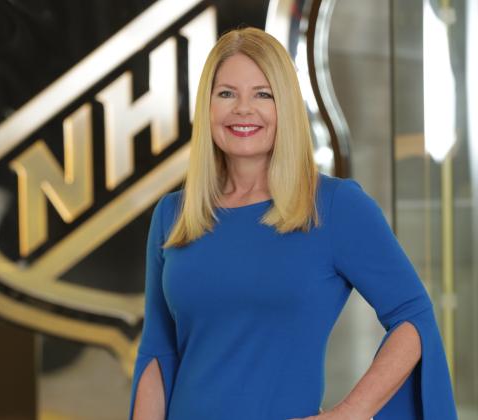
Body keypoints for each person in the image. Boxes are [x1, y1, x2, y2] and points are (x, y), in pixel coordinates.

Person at [129, 27, 457, 420]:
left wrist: (350, 412)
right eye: (227, 93)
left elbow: (413, 315)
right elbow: (157, 351)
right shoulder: (174, 214)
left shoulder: (334, 207)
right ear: (208, 106)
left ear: (284, 104)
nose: (243, 109)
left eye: (262, 94)